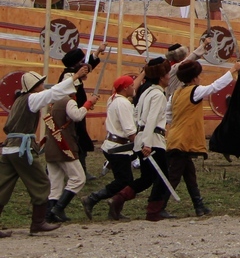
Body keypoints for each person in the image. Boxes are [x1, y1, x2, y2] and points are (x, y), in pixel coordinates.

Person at [0, 63, 90, 237]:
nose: (43, 85)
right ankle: (38, 223)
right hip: (21, 150)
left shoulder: (18, 101)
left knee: (2, 186)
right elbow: (53, 93)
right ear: (35, 87)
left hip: (9, 149)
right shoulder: (32, 99)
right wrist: (74, 77)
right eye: (40, 83)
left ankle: (38, 222)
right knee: (41, 183)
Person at [166, 58, 239, 217]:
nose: (199, 78)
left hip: (175, 138)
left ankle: (199, 206)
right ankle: (157, 207)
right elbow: (214, 87)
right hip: (182, 140)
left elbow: (168, 116)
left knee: (190, 175)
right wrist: (232, 70)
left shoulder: (175, 94)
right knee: (173, 177)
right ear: (193, 78)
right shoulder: (195, 91)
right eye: (198, 75)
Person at [45, 50, 99, 222]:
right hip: (64, 146)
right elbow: (76, 115)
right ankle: (58, 209)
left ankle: (51, 213)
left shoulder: (52, 103)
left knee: (55, 184)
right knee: (78, 178)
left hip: (52, 147)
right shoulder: (67, 101)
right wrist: (88, 103)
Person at [80, 73, 140, 221]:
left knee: (123, 180)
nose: (134, 88)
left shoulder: (112, 99)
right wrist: (140, 145)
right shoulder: (123, 103)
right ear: (125, 88)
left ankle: (114, 210)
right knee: (124, 181)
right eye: (132, 86)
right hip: (119, 148)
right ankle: (92, 198)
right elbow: (129, 129)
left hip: (113, 146)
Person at [135, 58, 174, 221]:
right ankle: (153, 211)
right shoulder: (158, 95)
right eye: (167, 74)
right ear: (161, 77)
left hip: (143, 138)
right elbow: (151, 120)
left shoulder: (146, 92)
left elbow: (136, 114)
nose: (169, 77)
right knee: (163, 176)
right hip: (153, 141)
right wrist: (148, 143)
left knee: (147, 177)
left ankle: (117, 200)